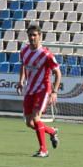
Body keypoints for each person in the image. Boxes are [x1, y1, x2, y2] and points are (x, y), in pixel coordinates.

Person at [17, 24, 61, 157]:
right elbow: (23, 66)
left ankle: (43, 150)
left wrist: (54, 92)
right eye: (30, 35)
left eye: (34, 35)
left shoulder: (46, 54)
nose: (32, 37)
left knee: (36, 118)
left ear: (40, 36)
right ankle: (52, 132)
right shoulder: (24, 51)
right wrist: (20, 81)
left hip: (42, 90)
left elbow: (58, 73)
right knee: (29, 123)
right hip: (30, 89)